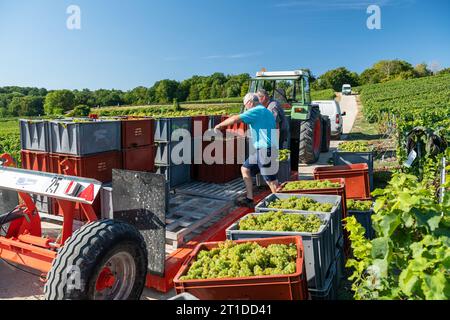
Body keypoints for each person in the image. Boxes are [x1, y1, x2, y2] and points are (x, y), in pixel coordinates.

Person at [214, 93, 279, 208]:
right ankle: (249, 199)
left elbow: (235, 119)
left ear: (250, 102)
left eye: (245, 106)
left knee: (271, 181)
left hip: (265, 150)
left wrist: (219, 126)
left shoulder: (257, 110)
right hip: (263, 149)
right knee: (245, 168)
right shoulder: (266, 111)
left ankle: (282, 205)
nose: (246, 108)